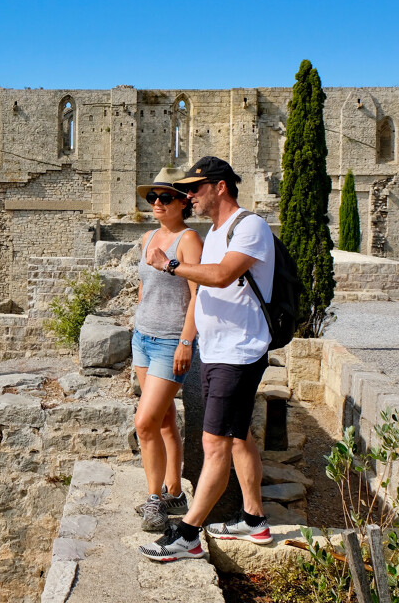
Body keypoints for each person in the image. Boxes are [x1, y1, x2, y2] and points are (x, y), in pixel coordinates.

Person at [138, 156, 275, 562]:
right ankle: (253, 519)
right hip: (217, 351)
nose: (189, 196)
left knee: (214, 442)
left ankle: (188, 534)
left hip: (240, 351)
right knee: (238, 435)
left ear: (219, 187)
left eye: (194, 189)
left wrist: (172, 265)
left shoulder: (249, 226)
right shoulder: (216, 232)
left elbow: (220, 277)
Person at [132, 169, 203, 532]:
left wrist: (186, 341)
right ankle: (174, 490)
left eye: (165, 198)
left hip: (169, 343)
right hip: (143, 339)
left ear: (183, 203)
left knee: (143, 423)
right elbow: (145, 287)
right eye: (152, 198)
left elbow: (198, 296)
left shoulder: (188, 240)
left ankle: (154, 501)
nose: (157, 203)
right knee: (161, 422)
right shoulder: (148, 237)